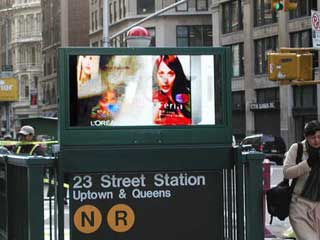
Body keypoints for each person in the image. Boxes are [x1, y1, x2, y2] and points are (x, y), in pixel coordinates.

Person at [283, 120, 320, 240]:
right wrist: (307, 164)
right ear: (306, 136)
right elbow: (287, 172)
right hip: (300, 205)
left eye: (319, 137)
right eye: (312, 137)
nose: (316, 140)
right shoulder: (297, 148)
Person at [152, 55, 191, 125]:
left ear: (177, 75)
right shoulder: (158, 98)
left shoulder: (186, 96)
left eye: (170, 74)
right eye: (161, 74)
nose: (165, 80)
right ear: (156, 75)